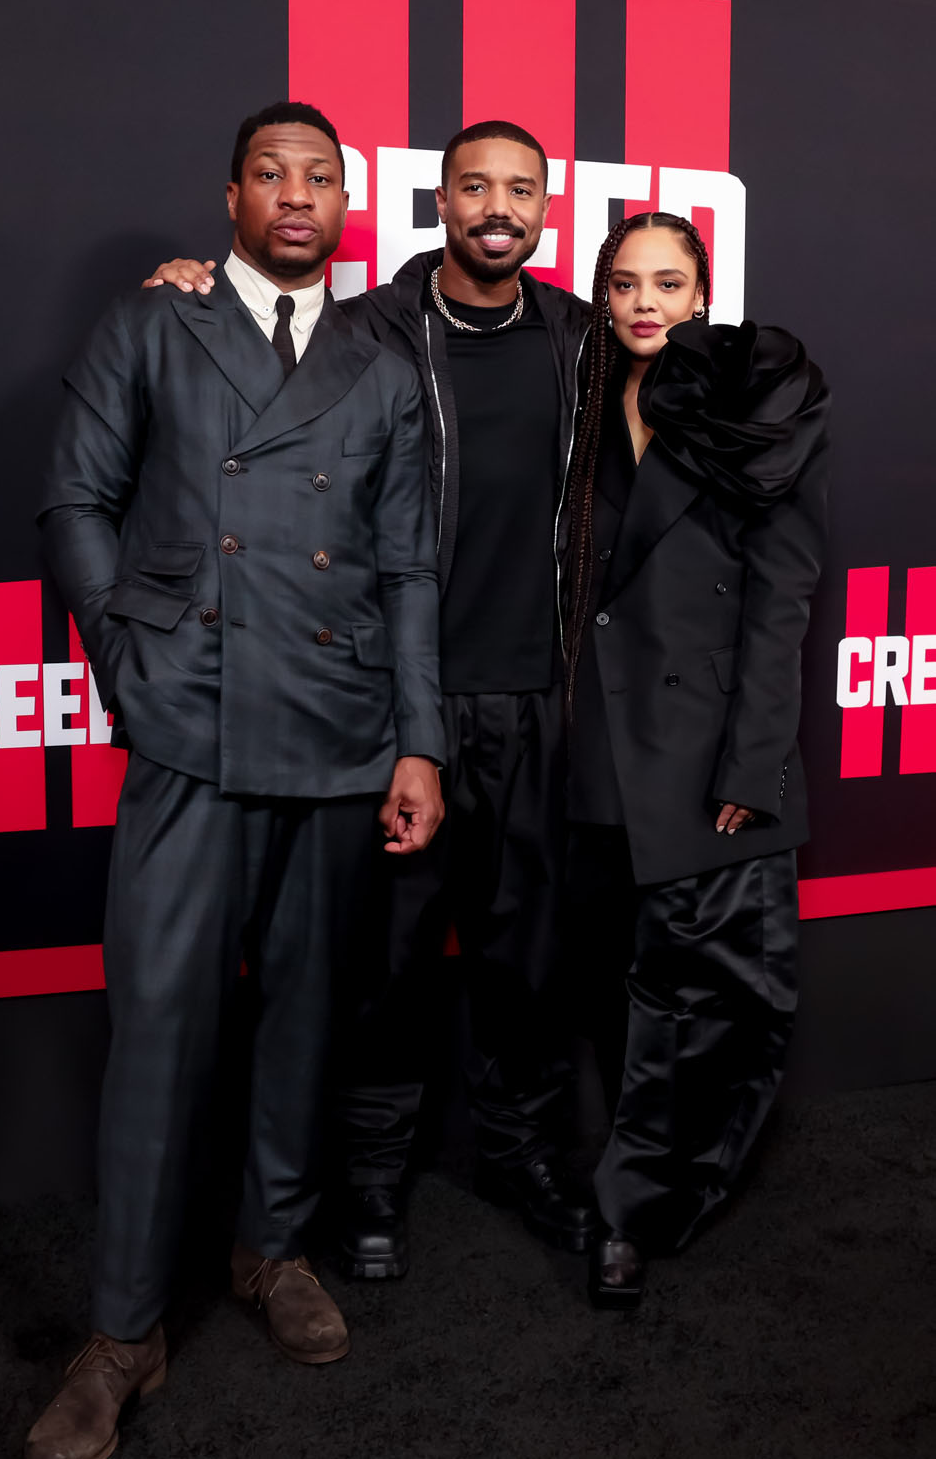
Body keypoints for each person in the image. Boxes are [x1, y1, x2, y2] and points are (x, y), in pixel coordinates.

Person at [27, 101, 445, 1459]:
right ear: (233, 197)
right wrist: (126, 654)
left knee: (305, 1016)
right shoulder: (155, 322)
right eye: (272, 173)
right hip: (189, 727)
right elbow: (75, 500)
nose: (297, 195)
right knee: (158, 1025)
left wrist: (420, 743)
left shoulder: (383, 362)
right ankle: (122, 1333)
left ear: (347, 204)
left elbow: (407, 567)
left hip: (337, 730)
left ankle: (271, 1249)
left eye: (320, 176)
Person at [146, 121, 598, 1279]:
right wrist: (188, 287)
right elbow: (249, 349)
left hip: (537, 701)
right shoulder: (367, 331)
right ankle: (372, 1177)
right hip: (401, 708)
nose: (497, 208)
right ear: (437, 202)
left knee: (526, 957)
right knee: (386, 962)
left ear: (545, 210)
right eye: (474, 187)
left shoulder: (579, 339)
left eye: (521, 190)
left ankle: (525, 1156)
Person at [559, 212, 829, 1307]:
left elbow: (782, 599)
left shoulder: (757, 398)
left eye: (667, 283)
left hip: (709, 748)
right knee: (610, 988)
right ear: (601, 295)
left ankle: (634, 1213)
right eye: (625, 283)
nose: (645, 303)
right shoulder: (573, 394)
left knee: (704, 1000)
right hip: (588, 742)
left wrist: (752, 769)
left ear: (702, 294)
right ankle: (617, 1182)